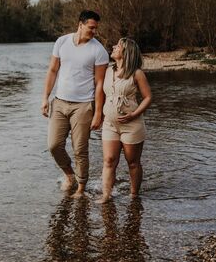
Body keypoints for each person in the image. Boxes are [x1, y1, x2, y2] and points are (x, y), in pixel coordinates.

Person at [41, 10, 109, 198]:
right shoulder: (62, 42)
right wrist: (45, 98)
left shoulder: (99, 51)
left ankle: (81, 187)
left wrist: (98, 113)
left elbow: (100, 84)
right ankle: (69, 175)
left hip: (83, 106)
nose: (94, 31)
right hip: (60, 103)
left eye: (96, 28)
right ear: (80, 24)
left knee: (80, 149)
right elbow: (53, 70)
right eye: (91, 27)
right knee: (54, 145)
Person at [97, 37, 152, 203]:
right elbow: (99, 93)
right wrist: (97, 115)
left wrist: (134, 115)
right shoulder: (107, 71)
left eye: (118, 46)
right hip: (110, 124)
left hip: (132, 125)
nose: (114, 47)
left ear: (126, 52)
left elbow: (148, 97)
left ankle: (134, 195)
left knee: (133, 163)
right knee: (109, 160)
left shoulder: (137, 73)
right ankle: (106, 195)